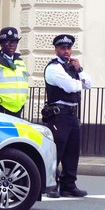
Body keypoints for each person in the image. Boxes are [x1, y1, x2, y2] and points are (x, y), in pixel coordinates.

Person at [44, 34, 92, 198]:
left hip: (72, 114)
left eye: (69, 48)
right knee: (56, 151)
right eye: (63, 48)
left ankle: (68, 185)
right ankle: (51, 185)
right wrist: (81, 82)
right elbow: (71, 86)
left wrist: (80, 69)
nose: (66, 51)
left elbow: (89, 84)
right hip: (58, 115)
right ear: (56, 49)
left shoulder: (72, 67)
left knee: (72, 151)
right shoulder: (53, 68)